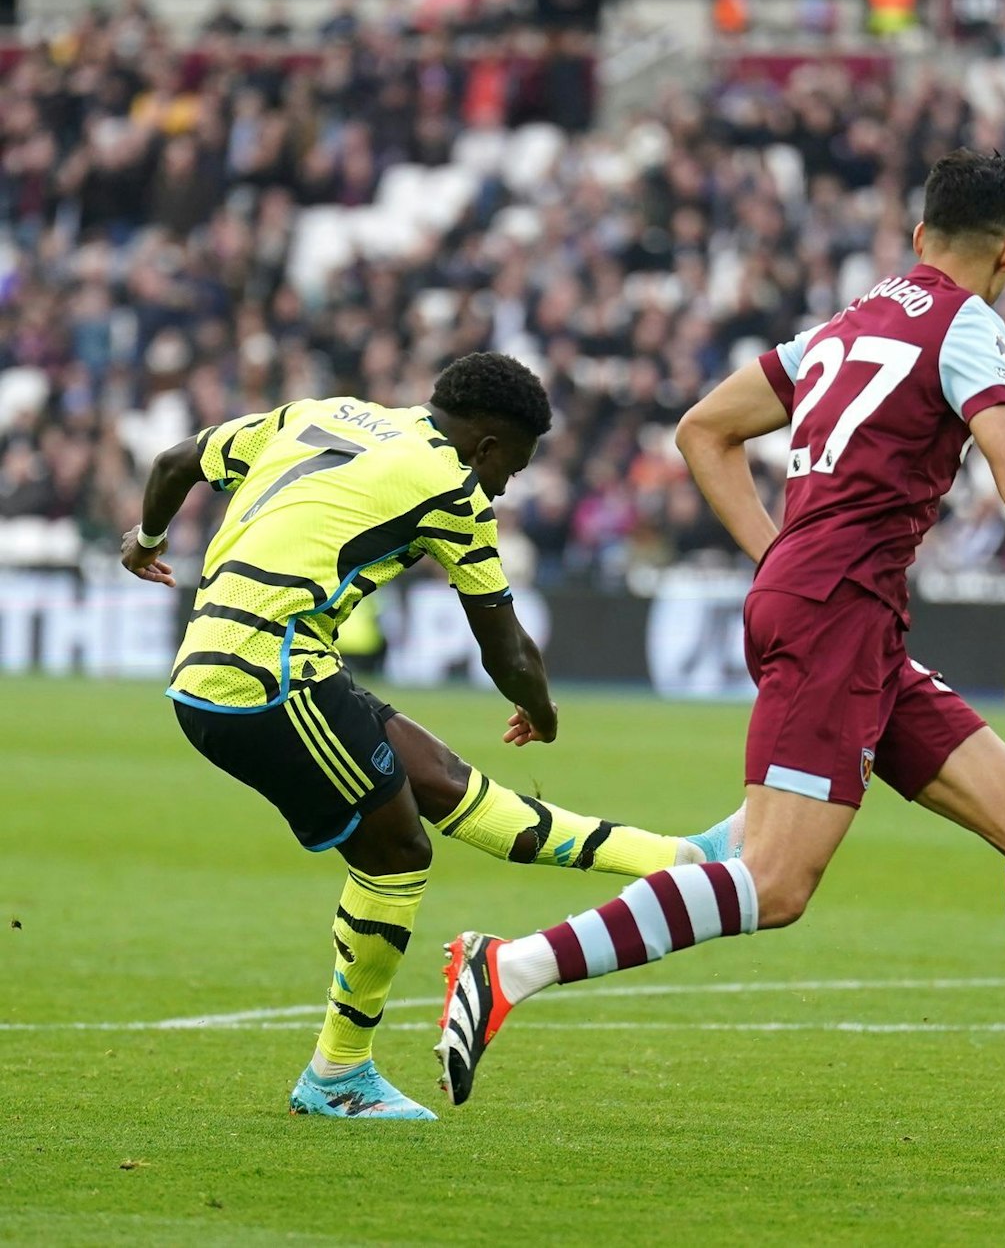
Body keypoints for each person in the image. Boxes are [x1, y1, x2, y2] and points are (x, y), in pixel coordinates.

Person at [434, 151, 1005, 1166]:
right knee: (773, 885)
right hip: (836, 613)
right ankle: (507, 966)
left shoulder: (843, 325)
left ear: (915, 236)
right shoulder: (969, 326)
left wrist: (781, 557)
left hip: (839, 612)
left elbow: (703, 431)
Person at [121, 353, 738, 1119]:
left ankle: (684, 859)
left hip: (244, 661)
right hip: (265, 678)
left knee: (445, 783)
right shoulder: (452, 487)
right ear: (486, 446)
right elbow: (506, 649)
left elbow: (176, 459)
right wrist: (542, 712)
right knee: (398, 854)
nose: (507, 484)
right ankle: (339, 1073)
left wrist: (145, 538)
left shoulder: (322, 412)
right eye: (512, 464)